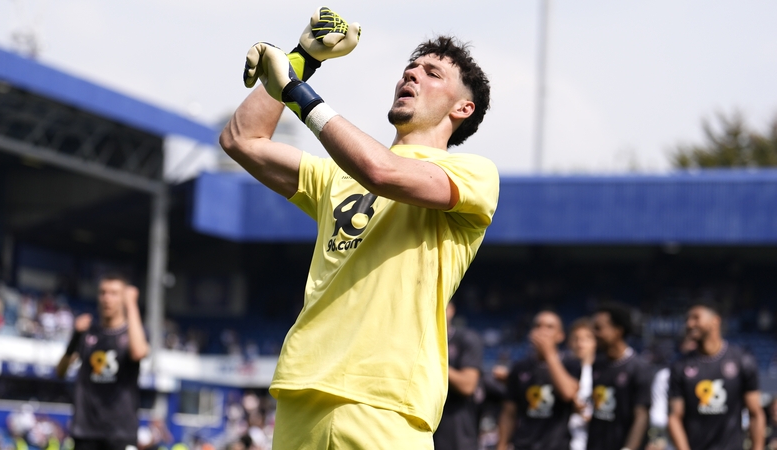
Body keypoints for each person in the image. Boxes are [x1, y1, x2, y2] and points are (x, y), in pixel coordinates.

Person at [218, 6, 498, 449]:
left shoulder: (473, 174)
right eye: (410, 67)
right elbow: (241, 140)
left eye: (432, 73)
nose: (412, 74)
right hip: (300, 389)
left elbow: (381, 172)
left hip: (384, 404)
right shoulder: (336, 176)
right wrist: (301, 57)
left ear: (463, 107)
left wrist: (296, 91)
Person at [56, 274, 149, 450]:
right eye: (103, 292)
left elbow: (138, 352)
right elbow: (61, 371)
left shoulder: (133, 333)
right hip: (86, 431)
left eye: (114, 293)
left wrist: (131, 305)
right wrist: (74, 337)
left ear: (124, 298)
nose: (107, 298)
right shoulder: (87, 333)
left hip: (121, 432)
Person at [667, 301, 765, 450]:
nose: (689, 324)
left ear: (715, 320)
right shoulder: (679, 367)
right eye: (687, 319)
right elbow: (675, 416)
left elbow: (755, 413)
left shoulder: (742, 361)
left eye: (696, 318)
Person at [497, 310, 581, 450]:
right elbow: (509, 412)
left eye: (549, 327)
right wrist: (501, 445)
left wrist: (549, 354)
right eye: (537, 326)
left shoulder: (570, 363)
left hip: (556, 446)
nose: (542, 330)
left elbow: (568, 393)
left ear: (560, 336)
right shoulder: (520, 367)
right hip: (523, 445)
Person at [587, 303, 652, 450]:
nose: (593, 333)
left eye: (599, 328)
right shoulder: (596, 365)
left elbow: (641, 415)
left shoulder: (639, 368)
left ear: (618, 331)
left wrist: (629, 448)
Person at [433, 301, 484, 450]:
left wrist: (432, 361)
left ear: (452, 310)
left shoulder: (467, 339)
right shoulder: (416, 342)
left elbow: (467, 385)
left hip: (457, 435)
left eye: (443, 305)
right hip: (423, 430)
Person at [568, 318, 596, 450]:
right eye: (576, 339)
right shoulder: (562, 372)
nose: (580, 344)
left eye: (586, 338)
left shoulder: (603, 373)